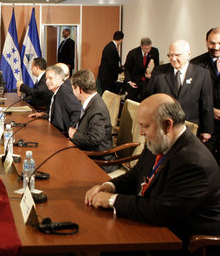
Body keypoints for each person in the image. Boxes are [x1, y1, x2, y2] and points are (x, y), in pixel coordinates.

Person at [84, 94, 220, 242]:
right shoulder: (159, 141)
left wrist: (112, 200)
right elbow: (136, 174)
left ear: (167, 125)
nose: (141, 132)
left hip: (182, 240)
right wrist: (110, 186)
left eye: (145, 126)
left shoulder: (194, 163)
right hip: (154, 226)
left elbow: (162, 211)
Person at [146, 39, 213, 144]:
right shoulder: (159, 72)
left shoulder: (202, 74)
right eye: (170, 55)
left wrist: (207, 130)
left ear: (188, 55)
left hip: (190, 129)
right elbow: (149, 99)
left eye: (177, 55)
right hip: (163, 129)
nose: (173, 59)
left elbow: (206, 104)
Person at [68, 70, 117, 173]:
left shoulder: (97, 109)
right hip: (87, 152)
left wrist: (74, 135)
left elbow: (95, 139)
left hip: (98, 161)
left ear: (80, 89)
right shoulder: (92, 101)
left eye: (73, 88)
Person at [190, 27, 220, 158]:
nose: (216, 47)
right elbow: (189, 96)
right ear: (206, 41)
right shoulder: (195, 64)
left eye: (219, 43)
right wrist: (210, 110)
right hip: (206, 127)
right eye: (212, 43)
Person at [28, 65, 81, 133]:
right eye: (46, 78)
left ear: (59, 78)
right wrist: (44, 115)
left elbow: (78, 110)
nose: (47, 81)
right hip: (53, 130)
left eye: (50, 78)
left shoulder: (64, 91)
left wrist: (70, 129)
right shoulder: (58, 91)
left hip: (61, 135)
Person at [124, 37, 160, 102]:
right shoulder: (133, 53)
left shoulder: (155, 51)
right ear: (141, 46)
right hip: (134, 80)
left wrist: (152, 76)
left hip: (146, 82)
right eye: (146, 49)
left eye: (149, 48)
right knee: (132, 101)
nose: (148, 50)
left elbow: (157, 67)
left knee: (145, 101)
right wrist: (129, 81)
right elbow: (127, 69)